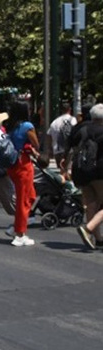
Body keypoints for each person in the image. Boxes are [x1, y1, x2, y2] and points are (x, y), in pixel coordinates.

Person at [4, 102, 40, 247]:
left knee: (29, 196)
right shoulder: (27, 126)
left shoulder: (11, 126)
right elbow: (36, 143)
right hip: (23, 165)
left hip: (13, 165)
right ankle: (20, 233)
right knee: (24, 199)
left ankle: (17, 226)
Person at [72, 103, 103, 250]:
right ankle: (88, 228)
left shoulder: (80, 129)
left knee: (91, 203)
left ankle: (96, 238)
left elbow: (70, 148)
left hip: (81, 171)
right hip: (99, 172)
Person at [49, 102, 77, 178]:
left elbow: (49, 135)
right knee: (66, 171)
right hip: (69, 150)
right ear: (70, 109)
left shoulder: (54, 122)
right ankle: (67, 187)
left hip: (57, 149)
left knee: (62, 170)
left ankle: (62, 186)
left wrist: (50, 149)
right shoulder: (73, 120)